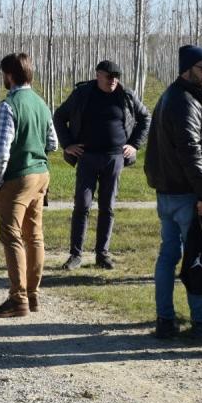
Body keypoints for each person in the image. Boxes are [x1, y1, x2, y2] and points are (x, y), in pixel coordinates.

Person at [144, 44, 202, 340]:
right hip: (188, 194)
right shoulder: (185, 101)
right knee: (195, 257)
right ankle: (201, 323)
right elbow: (191, 151)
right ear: (186, 69)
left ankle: (165, 320)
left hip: (168, 192)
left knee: (169, 255)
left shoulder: (170, 97)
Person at [52, 59, 151, 271]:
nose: (113, 81)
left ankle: (102, 254)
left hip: (114, 158)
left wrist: (134, 144)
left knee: (108, 207)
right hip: (87, 157)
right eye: (109, 77)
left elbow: (145, 117)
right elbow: (59, 116)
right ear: (98, 75)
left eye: (116, 77)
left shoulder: (126, 95)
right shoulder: (82, 94)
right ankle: (75, 255)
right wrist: (67, 144)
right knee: (82, 205)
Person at [0, 52, 59, 318]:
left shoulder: (8, 105)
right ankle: (33, 294)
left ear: (9, 75)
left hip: (18, 176)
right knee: (34, 235)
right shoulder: (41, 103)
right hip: (42, 174)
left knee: (12, 236)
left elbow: (1, 151)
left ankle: (18, 299)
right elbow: (53, 143)